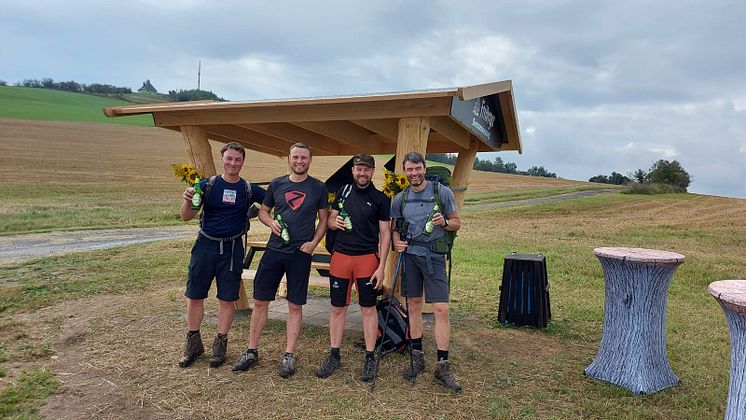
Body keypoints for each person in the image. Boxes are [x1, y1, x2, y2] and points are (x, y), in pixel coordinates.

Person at [232, 142, 328, 378]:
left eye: (303, 157)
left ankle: (288, 355)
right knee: (261, 301)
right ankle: (251, 350)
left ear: (310, 160)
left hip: (300, 254)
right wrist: (269, 222)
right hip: (274, 250)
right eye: (295, 157)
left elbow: (324, 219)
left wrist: (314, 242)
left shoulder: (318, 187)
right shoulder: (277, 184)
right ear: (289, 158)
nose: (299, 161)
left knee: (295, 305)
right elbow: (264, 211)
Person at [178, 142, 265, 368]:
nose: (233, 163)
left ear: (243, 162)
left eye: (237, 160)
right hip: (205, 245)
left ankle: (220, 345)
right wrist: (187, 199)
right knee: (195, 295)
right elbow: (187, 216)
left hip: (233, 248)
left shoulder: (248, 189)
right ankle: (193, 344)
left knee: (227, 298)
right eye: (229, 159)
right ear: (222, 160)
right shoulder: (208, 185)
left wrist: (255, 212)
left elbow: (275, 201)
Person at [390, 151, 462, 391]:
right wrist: (396, 241)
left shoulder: (442, 192)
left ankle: (442, 365)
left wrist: (445, 223)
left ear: (424, 168)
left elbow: (456, 222)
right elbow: (396, 228)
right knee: (413, 306)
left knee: (441, 309)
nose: (414, 173)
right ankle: (417, 357)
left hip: (434, 256)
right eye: (409, 169)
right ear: (405, 171)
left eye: (417, 168)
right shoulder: (400, 198)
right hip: (410, 256)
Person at [315, 154, 391, 382]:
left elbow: (386, 234)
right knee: (338, 308)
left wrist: (382, 267)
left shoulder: (380, 198)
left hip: (367, 259)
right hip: (340, 258)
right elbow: (329, 220)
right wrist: (332, 222)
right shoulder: (344, 192)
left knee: (368, 309)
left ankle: (369, 357)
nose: (362, 173)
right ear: (353, 171)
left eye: (366, 169)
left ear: (372, 171)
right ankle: (334, 355)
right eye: (358, 168)